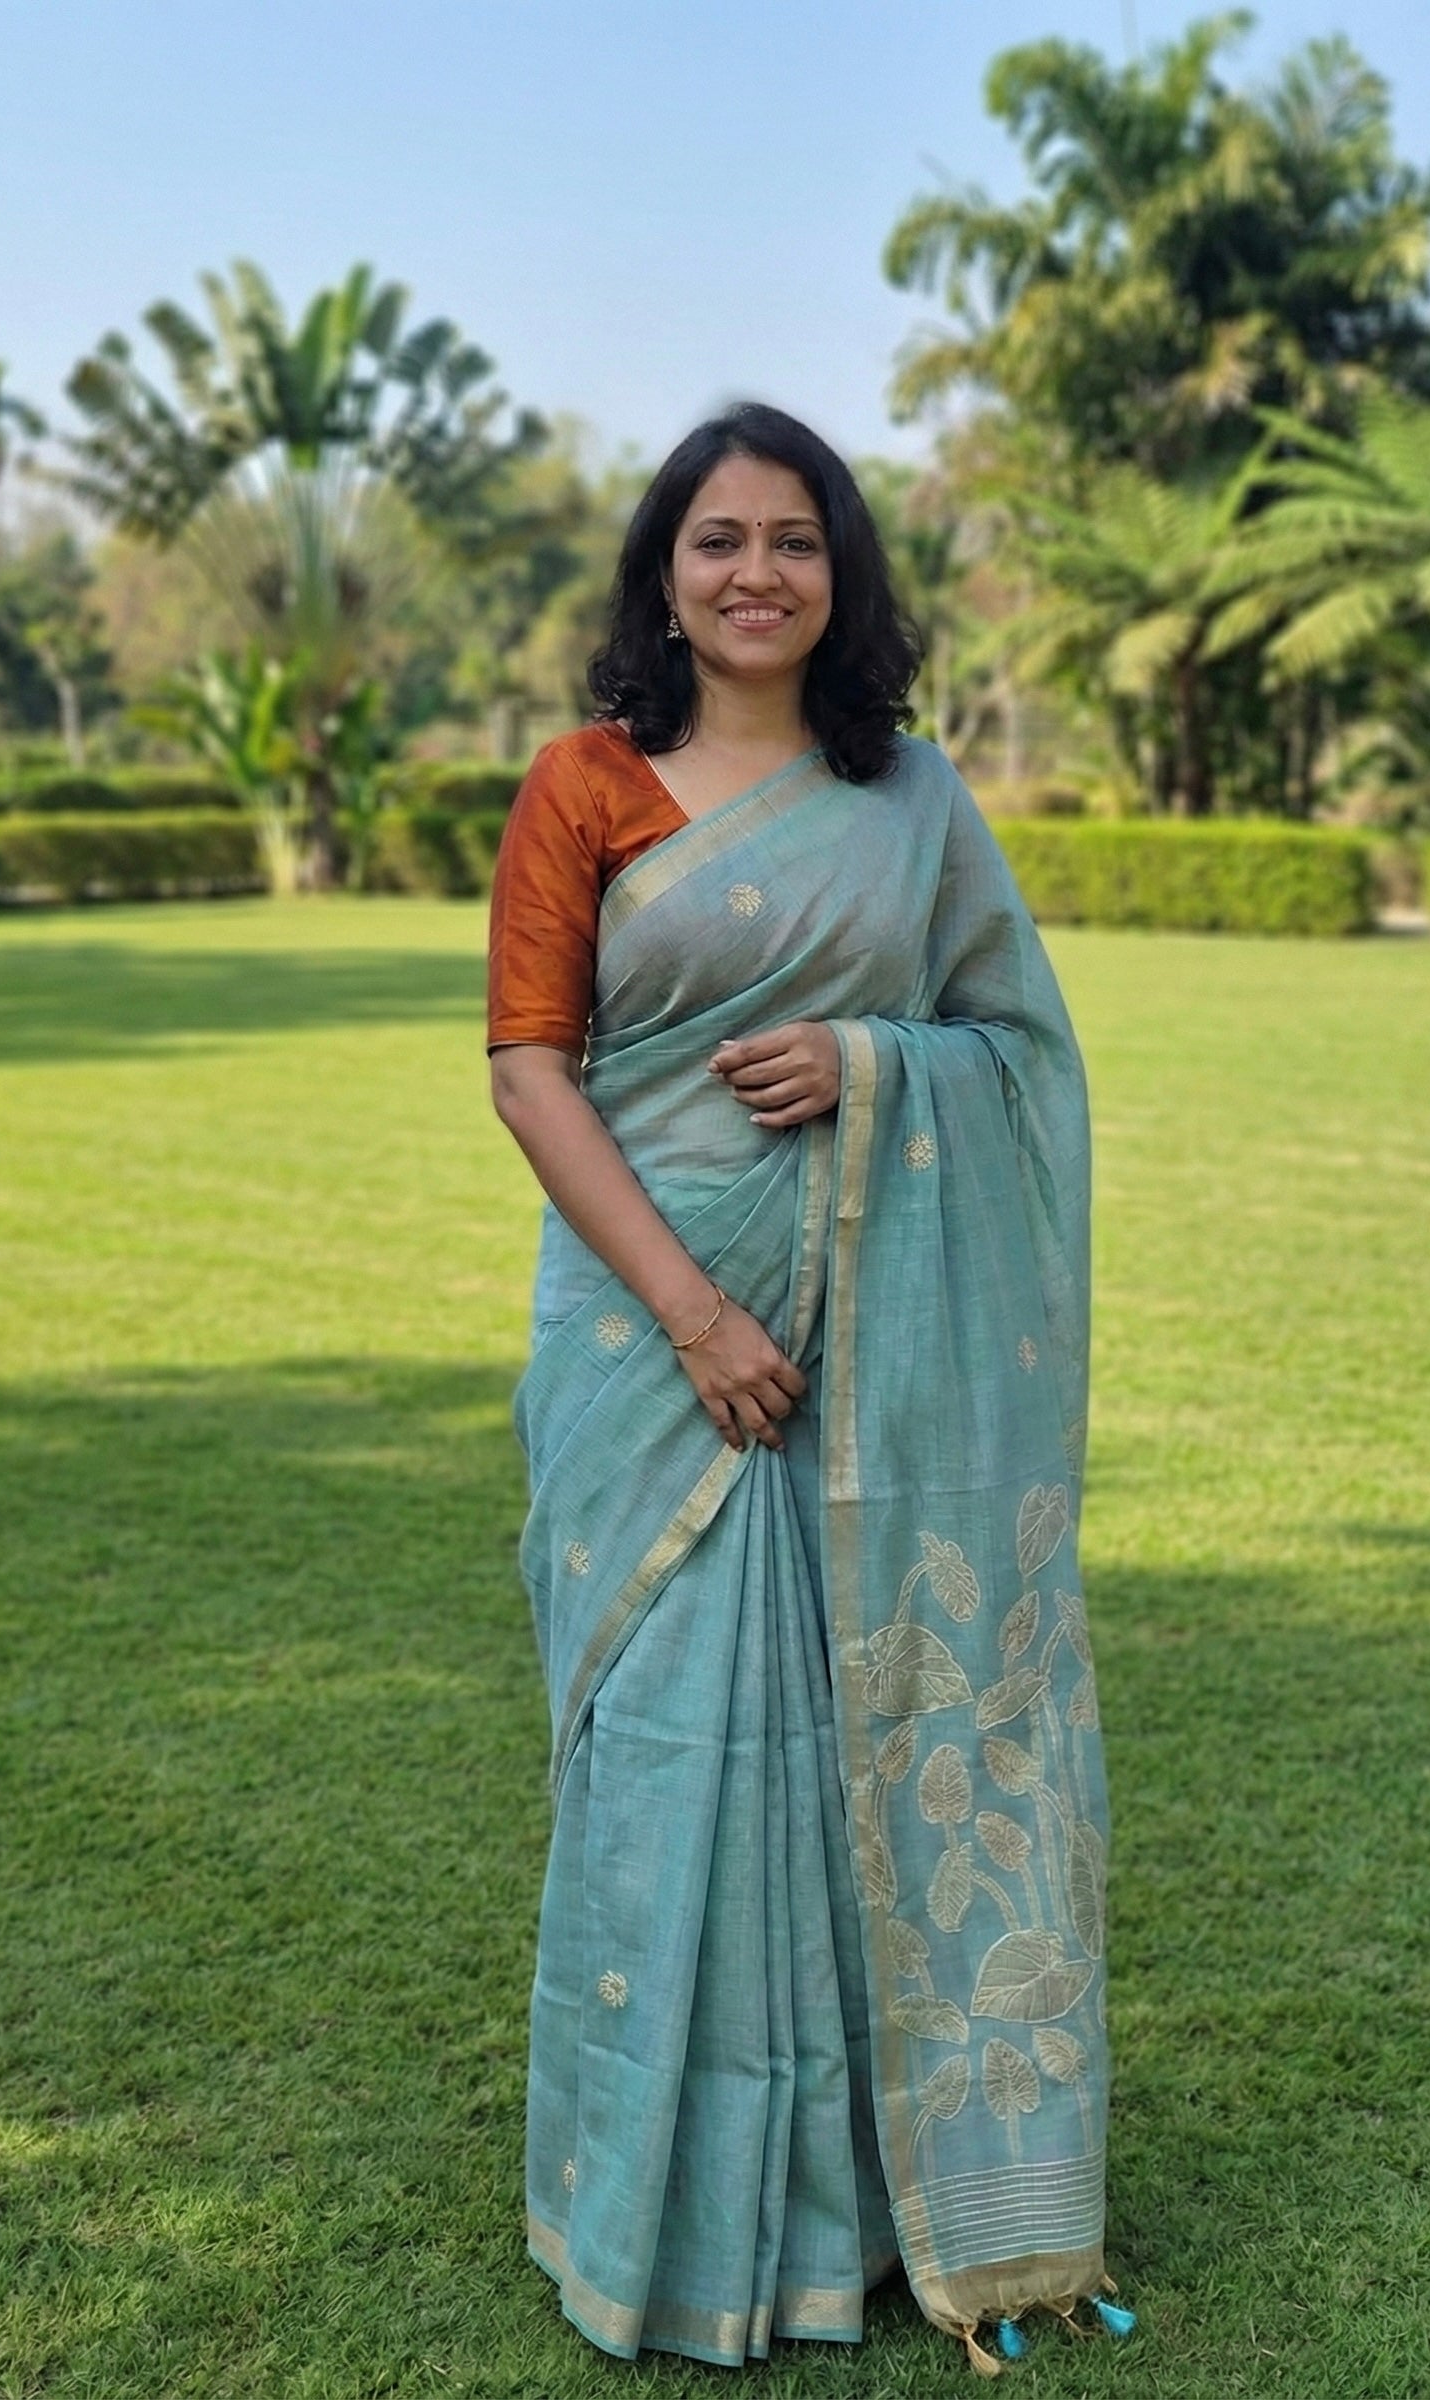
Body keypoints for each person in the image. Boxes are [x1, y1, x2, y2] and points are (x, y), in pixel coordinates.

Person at [486, 403, 1112, 2377]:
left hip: (877, 1356)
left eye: (794, 540)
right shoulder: (585, 784)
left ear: (839, 576)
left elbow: (1015, 1057)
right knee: (673, 1757)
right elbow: (529, 1069)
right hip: (650, 1347)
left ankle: (878, 2215)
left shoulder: (910, 797)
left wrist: (868, 1067)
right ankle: (667, 2223)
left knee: (884, 1733)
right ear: (660, 575)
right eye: (713, 539)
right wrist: (689, 1314)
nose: (752, 571)